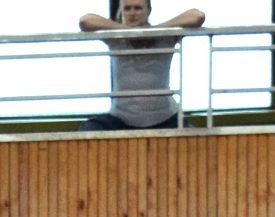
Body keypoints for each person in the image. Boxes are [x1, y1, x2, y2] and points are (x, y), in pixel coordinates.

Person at [79, 3, 207, 132]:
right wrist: (127, 31)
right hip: (120, 119)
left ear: (148, 10)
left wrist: (154, 31)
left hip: (166, 118)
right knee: (88, 130)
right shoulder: (116, 37)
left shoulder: (165, 36)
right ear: (122, 11)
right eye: (127, 8)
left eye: (138, 8)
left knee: (196, 138)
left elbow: (197, 16)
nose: (132, 13)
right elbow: (85, 21)